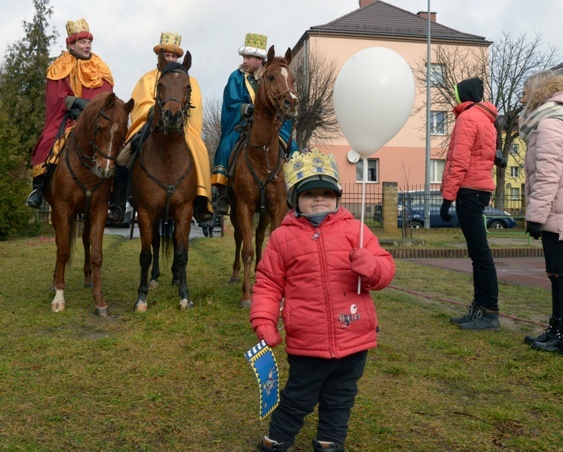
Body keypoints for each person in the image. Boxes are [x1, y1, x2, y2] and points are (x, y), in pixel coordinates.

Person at [249, 149, 396, 452]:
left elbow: (384, 270)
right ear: (295, 199)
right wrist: (264, 319)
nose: (319, 199)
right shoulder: (281, 238)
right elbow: (267, 283)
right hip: (308, 341)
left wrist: (372, 267)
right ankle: (280, 436)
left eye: (326, 193)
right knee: (298, 396)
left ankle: (330, 440)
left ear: (338, 197)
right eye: (310, 194)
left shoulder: (355, 231)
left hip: (353, 336)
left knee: (340, 396)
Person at [519, 70, 563, 359]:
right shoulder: (550, 122)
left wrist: (535, 215)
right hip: (558, 206)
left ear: (538, 93)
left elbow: (547, 175)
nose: (521, 98)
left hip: (559, 207)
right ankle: (557, 328)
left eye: (525, 92)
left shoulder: (548, 124)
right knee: (556, 274)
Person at [110, 32, 213, 223]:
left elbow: (195, 108)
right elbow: (140, 105)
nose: (171, 59)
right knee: (123, 157)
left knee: (201, 154)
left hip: (183, 127)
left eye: (174, 56)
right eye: (167, 55)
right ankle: (118, 202)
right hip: (152, 126)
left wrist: (181, 117)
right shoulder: (147, 79)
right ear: (160, 56)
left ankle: (200, 203)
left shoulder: (190, 80)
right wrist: (153, 112)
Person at [26, 18, 114, 209]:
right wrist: (75, 102)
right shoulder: (60, 65)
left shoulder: (100, 66)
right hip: (69, 118)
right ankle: (38, 189)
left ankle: (118, 196)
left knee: (116, 144)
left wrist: (95, 109)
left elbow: (108, 97)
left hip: (97, 120)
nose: (87, 45)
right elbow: (56, 97)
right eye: (82, 42)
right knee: (49, 141)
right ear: (72, 45)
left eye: (89, 41)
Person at [212, 32, 298, 215]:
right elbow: (230, 102)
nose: (245, 61)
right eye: (244, 57)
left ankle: (294, 188)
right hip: (243, 122)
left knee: (294, 147)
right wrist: (247, 108)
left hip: (271, 123)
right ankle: (222, 193)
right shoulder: (236, 77)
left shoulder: (270, 75)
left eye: (249, 57)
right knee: (226, 146)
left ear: (260, 60)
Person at [441, 77, 501, 331]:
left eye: (456, 93)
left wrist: (447, 197)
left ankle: (488, 311)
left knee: (480, 254)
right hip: (479, 189)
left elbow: (460, 160)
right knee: (479, 254)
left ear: (462, 94)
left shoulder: (467, 118)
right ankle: (480, 308)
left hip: (469, 190)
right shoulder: (486, 118)